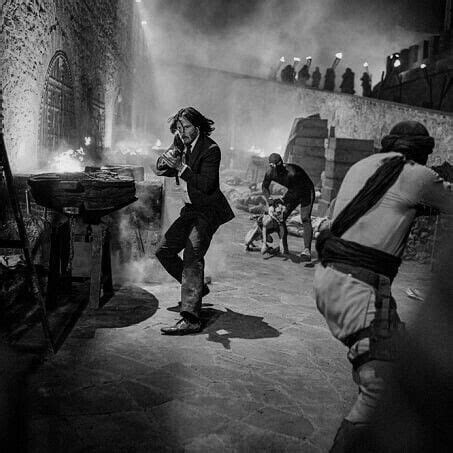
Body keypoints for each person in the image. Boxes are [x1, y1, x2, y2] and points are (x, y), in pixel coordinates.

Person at [313, 120, 453, 451]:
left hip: (329, 280)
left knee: (405, 363)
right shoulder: (416, 174)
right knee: (379, 385)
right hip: (360, 290)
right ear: (421, 152)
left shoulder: (362, 166)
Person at [155, 107, 234, 335]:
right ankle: (198, 288)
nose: (182, 132)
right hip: (191, 209)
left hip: (208, 210)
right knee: (164, 251)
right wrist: (165, 160)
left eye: (186, 127)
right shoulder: (180, 142)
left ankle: (191, 318)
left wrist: (181, 168)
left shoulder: (211, 149)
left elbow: (206, 184)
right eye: (179, 128)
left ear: (197, 127)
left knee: (192, 255)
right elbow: (162, 168)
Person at [262, 153, 315, 261]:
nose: (278, 172)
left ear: (282, 164)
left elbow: (297, 192)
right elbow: (264, 187)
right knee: (281, 218)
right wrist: (270, 201)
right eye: (274, 168)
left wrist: (283, 200)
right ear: (270, 166)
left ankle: (307, 250)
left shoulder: (293, 173)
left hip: (306, 191)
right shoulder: (269, 173)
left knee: (305, 218)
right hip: (293, 191)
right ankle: (284, 248)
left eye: (279, 168)